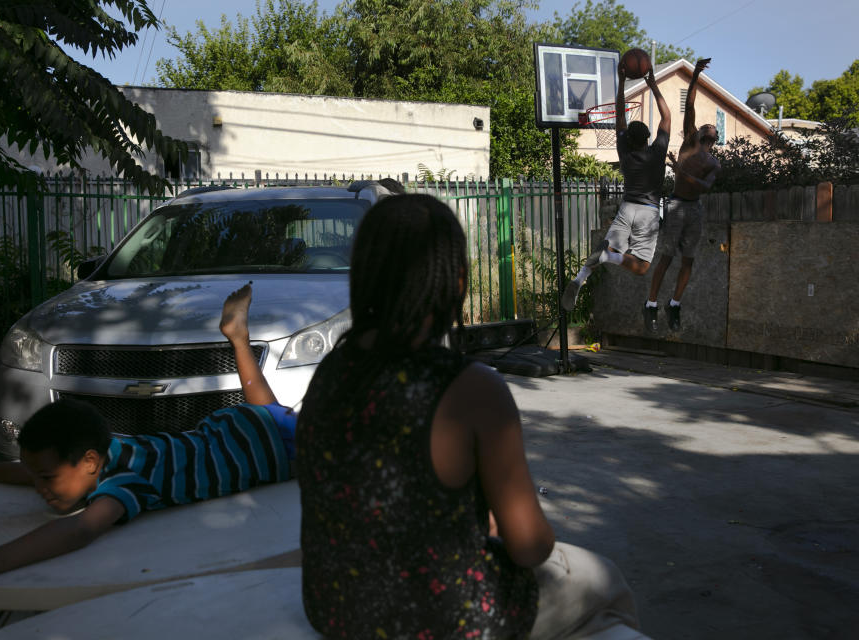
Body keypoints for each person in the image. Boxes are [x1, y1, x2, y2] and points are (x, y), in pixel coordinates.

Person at [297, 194, 642, 639]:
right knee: (605, 580)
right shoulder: (472, 387)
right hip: (444, 619)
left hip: (333, 609)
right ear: (456, 281)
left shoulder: (332, 371)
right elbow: (530, 546)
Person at [0, 283, 295, 583]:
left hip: (278, 450)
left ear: (89, 461)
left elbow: (79, 531)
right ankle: (237, 338)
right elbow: (31, 468)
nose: (38, 487)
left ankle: (238, 339)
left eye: (47, 478)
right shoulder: (102, 451)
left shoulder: (125, 480)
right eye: (39, 478)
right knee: (264, 412)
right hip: (232, 429)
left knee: (313, 429)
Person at [562, 63, 672, 314]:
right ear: (647, 138)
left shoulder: (624, 151)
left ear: (629, 139)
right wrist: (653, 84)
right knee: (642, 266)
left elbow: (620, 116)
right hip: (648, 213)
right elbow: (666, 117)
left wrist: (621, 82)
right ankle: (609, 258)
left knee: (609, 246)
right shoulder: (656, 153)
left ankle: (580, 278)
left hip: (627, 208)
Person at [645, 58, 720, 332]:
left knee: (688, 259)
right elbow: (689, 105)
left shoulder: (714, 163)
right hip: (676, 205)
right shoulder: (689, 140)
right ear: (698, 134)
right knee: (666, 257)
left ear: (715, 142)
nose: (708, 138)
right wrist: (695, 76)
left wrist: (681, 171)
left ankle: (674, 304)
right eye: (705, 133)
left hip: (694, 207)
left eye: (713, 137)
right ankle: (651, 304)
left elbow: (705, 186)